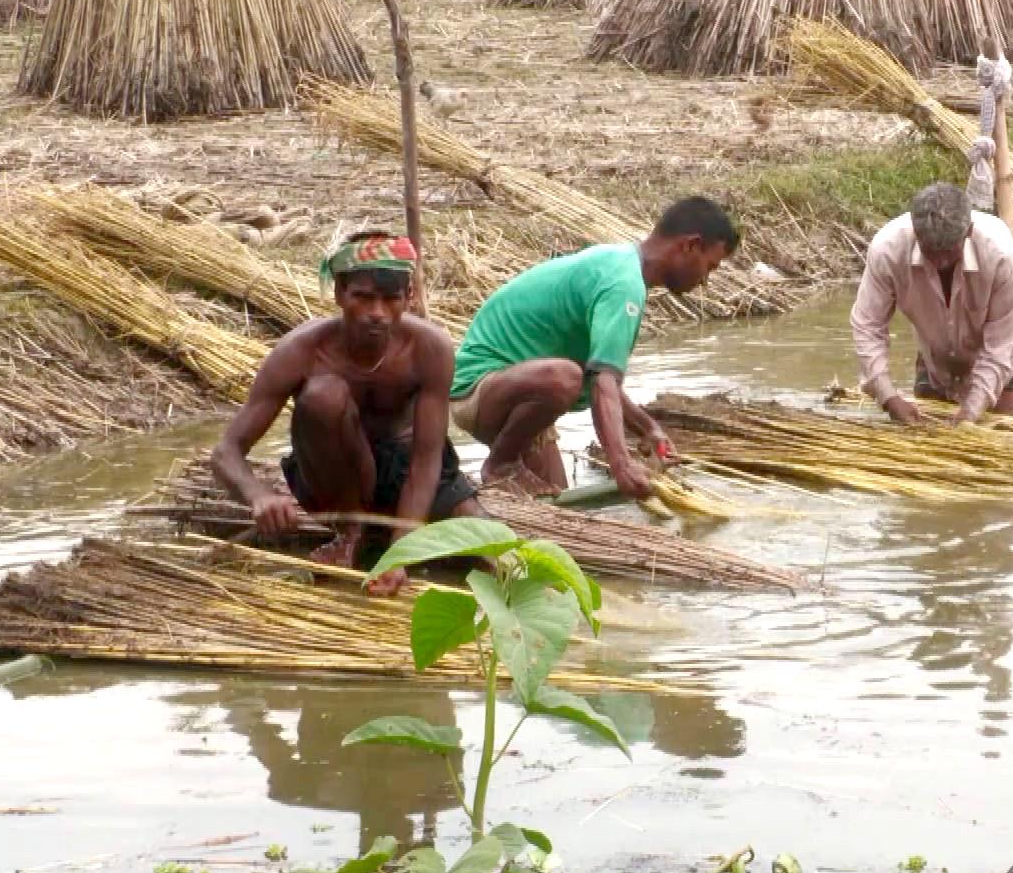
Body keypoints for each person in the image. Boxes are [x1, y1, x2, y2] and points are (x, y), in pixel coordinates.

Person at [212, 232, 478, 597]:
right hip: (334, 480)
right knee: (323, 395)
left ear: (409, 298)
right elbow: (226, 451)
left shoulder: (429, 348)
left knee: (489, 545)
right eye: (363, 298)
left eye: (390, 299)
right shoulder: (302, 351)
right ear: (339, 293)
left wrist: (401, 554)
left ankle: (388, 538)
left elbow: (426, 459)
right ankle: (350, 534)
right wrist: (257, 495)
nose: (377, 314)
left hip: (405, 473)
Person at [450, 197, 738, 498]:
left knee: (557, 503)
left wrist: (647, 427)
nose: (705, 280)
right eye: (710, 266)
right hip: (479, 388)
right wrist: (621, 465)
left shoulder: (621, 264)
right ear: (690, 245)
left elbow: (599, 378)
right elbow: (602, 383)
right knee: (565, 377)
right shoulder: (623, 284)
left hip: (523, 394)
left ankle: (505, 476)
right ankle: (502, 464)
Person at [851, 183, 1013, 426]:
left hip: (1003, 358)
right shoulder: (888, 251)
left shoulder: (999, 254)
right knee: (925, 441)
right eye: (930, 252)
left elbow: (1001, 345)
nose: (940, 262)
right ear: (916, 233)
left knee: (998, 438)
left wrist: (971, 412)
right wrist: (888, 396)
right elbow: (867, 326)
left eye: (949, 251)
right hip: (934, 355)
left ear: (968, 232)